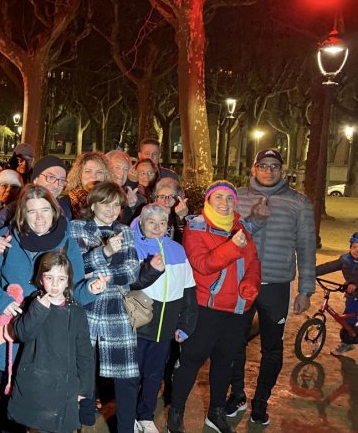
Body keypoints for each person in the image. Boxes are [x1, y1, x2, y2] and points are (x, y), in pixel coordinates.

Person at [0, 184, 102, 406]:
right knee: (3, 400)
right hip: (10, 331)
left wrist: (91, 290)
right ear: (22, 213)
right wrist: (1, 300)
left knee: (34, 404)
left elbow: (73, 293)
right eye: (31, 211)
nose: (39, 217)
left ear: (54, 211)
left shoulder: (66, 243)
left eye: (45, 210)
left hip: (47, 334)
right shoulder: (4, 237)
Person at [227, 148, 316, 425]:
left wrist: (305, 289)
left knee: (272, 348)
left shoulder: (299, 203)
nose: (268, 170)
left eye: (274, 166)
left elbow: (306, 246)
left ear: (282, 170)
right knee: (232, 343)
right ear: (253, 169)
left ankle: (261, 401)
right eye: (263, 165)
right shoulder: (237, 197)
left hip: (276, 286)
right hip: (241, 283)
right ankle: (238, 393)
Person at [167, 181, 261, 433]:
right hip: (206, 308)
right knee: (190, 361)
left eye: (229, 198)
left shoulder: (240, 227)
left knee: (224, 363)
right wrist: (233, 246)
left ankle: (216, 412)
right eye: (218, 197)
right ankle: (176, 413)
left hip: (236, 310)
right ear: (208, 200)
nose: (224, 203)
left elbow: (253, 260)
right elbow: (202, 264)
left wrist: (251, 282)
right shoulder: (196, 227)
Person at [68, 181, 141, 433]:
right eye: (105, 203)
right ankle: (80, 424)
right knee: (81, 373)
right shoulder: (76, 227)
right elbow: (75, 266)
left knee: (127, 378)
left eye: (116, 204)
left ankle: (126, 429)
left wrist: (99, 274)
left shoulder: (125, 231)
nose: (111, 210)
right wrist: (105, 251)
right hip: (84, 308)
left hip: (117, 311)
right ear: (93, 203)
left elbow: (132, 271)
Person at [7, 252, 95, 433]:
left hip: (65, 387)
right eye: (49, 277)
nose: (55, 284)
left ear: (68, 281)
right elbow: (22, 333)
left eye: (61, 279)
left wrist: (84, 388)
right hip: (36, 385)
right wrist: (38, 309)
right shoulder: (32, 304)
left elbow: (85, 353)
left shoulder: (76, 312)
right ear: (40, 279)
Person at [130, 204, 197, 433]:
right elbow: (130, 283)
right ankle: (128, 416)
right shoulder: (134, 248)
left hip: (166, 326)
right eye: (151, 223)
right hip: (139, 323)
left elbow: (189, 287)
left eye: (162, 223)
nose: (157, 228)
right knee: (131, 374)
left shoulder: (177, 250)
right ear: (141, 224)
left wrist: (186, 323)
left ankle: (145, 416)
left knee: (155, 374)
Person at [316, 232, 358, 356]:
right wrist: (312, 272)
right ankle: (347, 343)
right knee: (348, 319)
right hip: (352, 294)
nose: (356, 250)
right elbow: (329, 266)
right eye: (354, 247)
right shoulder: (345, 260)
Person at [66, 151, 110, 218]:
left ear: (106, 176)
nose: (94, 176)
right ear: (79, 175)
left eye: (99, 172)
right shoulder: (66, 204)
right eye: (88, 171)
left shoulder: (113, 201)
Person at [106, 150, 143, 225]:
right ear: (107, 169)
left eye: (125, 169)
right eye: (117, 167)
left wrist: (131, 207)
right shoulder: (98, 193)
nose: (122, 173)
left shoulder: (139, 199)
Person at [152, 178, 189, 243]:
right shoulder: (147, 215)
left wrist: (180, 218)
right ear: (156, 199)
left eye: (171, 197)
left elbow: (183, 242)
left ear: (179, 199)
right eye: (162, 197)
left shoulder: (186, 219)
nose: (166, 200)